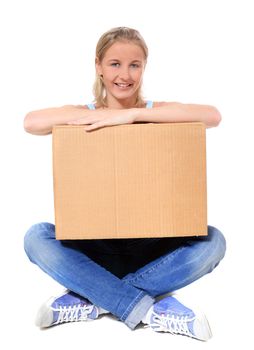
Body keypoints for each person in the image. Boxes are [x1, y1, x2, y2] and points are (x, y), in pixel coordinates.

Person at [24, 26, 226, 341]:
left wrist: (131, 116)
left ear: (144, 68)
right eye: (114, 63)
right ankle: (145, 308)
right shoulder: (82, 114)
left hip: (154, 246)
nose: (125, 74)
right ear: (98, 66)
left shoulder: (156, 112)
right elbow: (31, 122)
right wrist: (101, 116)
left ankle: (93, 297)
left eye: (135, 64)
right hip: (93, 245)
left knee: (214, 242)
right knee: (36, 236)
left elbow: (212, 116)